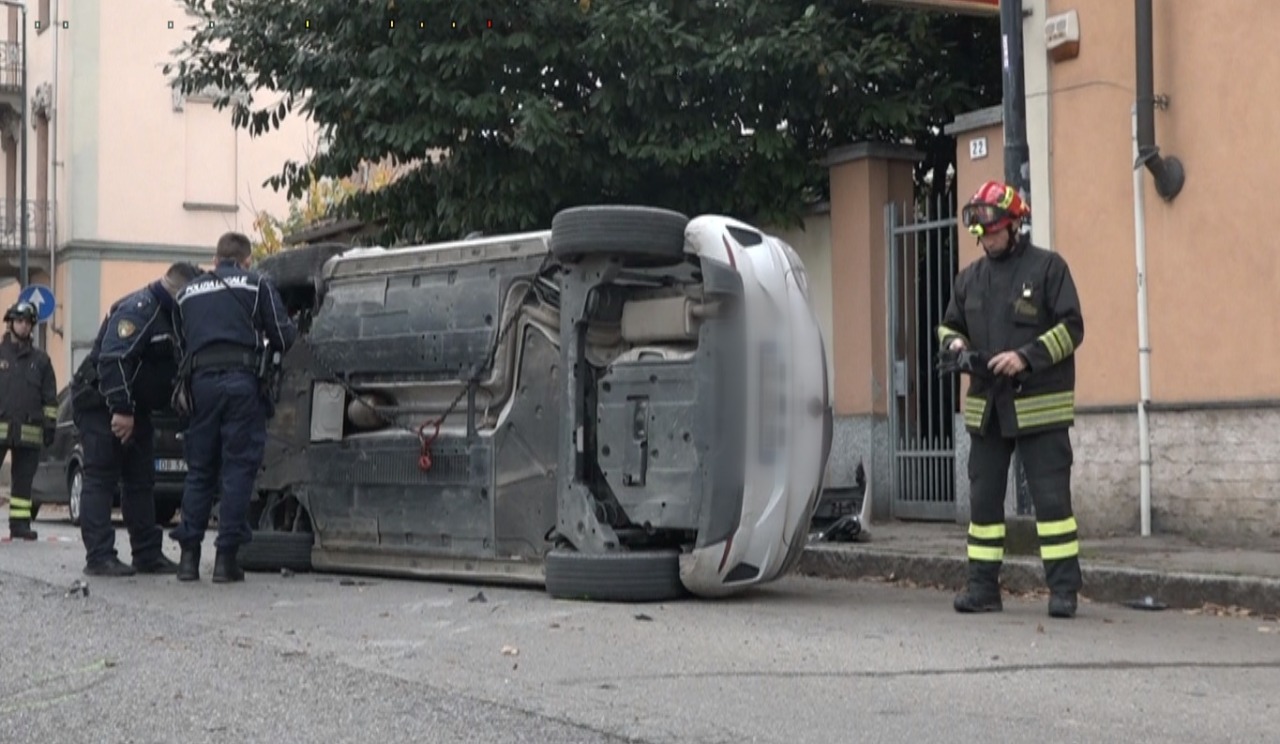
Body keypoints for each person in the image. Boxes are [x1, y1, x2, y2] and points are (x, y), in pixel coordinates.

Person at [936, 180, 1085, 619]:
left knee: (1052, 504)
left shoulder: (1048, 269)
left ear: (1015, 225)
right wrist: (956, 348)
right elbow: (949, 327)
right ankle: (982, 588)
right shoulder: (969, 279)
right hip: (987, 408)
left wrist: (1025, 357)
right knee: (983, 504)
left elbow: (1072, 328)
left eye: (994, 230)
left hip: (1038, 406)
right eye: (980, 233)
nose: (986, 239)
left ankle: (1063, 592)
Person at [170, 232, 296, 583]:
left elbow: (181, 345)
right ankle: (226, 560)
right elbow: (284, 336)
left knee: (199, 471)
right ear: (246, 260)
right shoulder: (257, 285)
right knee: (238, 470)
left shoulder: (187, 293)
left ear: (215, 259)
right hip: (242, 385)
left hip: (200, 387)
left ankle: (188, 560)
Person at [70, 262, 204, 576]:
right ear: (178, 291)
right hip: (102, 402)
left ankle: (147, 553)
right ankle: (99, 556)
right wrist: (122, 410)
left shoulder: (173, 315)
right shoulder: (140, 309)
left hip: (136, 406)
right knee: (101, 476)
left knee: (141, 480)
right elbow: (114, 358)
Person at [0, 301, 57, 540]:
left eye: (28, 322)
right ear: (11, 322)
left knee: (23, 481)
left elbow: (49, 398)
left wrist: (50, 426)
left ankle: (20, 524)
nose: (24, 326)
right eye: (19, 321)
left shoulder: (41, 360)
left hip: (29, 431)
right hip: (1, 428)